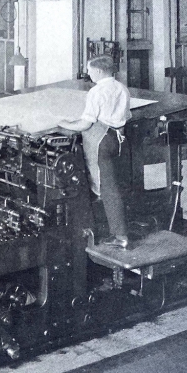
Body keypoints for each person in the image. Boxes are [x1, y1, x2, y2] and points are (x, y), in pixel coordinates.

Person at [58, 54, 132, 249]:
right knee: (112, 183)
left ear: (98, 71)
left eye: (89, 70)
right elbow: (126, 116)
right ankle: (112, 228)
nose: (88, 73)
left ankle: (120, 236)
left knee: (107, 188)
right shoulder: (122, 88)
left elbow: (86, 123)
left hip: (101, 141)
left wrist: (62, 124)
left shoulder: (96, 92)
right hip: (118, 139)